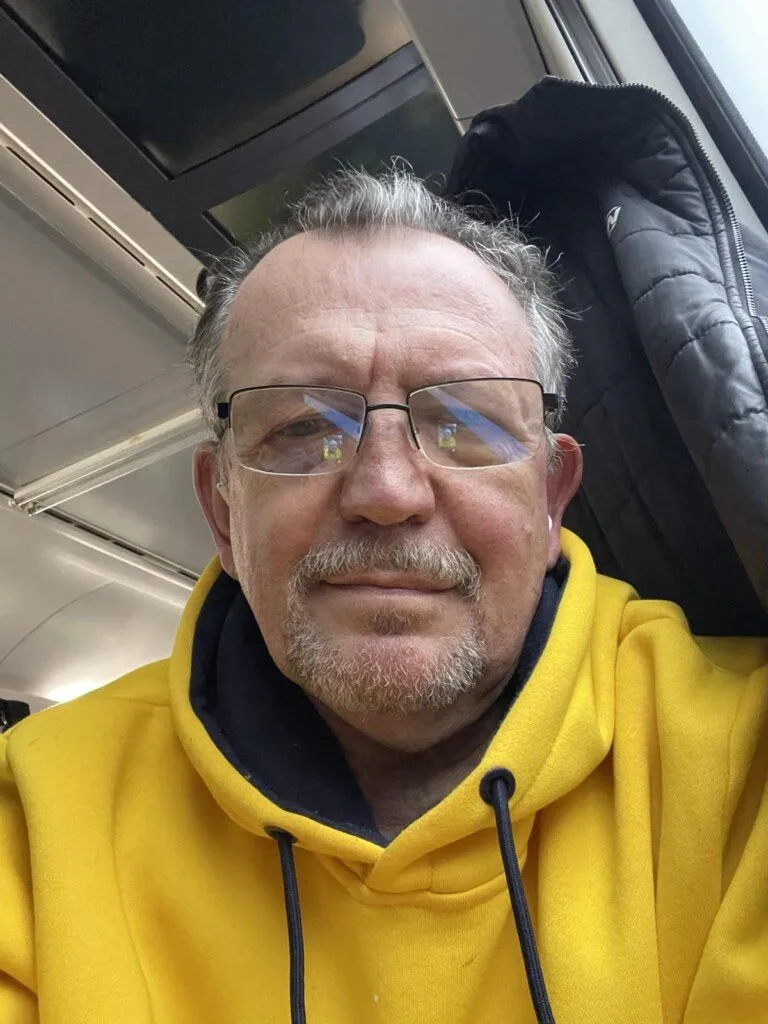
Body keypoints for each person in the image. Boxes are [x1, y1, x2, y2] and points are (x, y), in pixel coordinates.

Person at [1, 168, 766, 1024]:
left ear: (550, 498)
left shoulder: (742, 760)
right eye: (305, 426)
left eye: (465, 423)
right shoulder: (35, 820)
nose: (388, 491)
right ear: (222, 509)